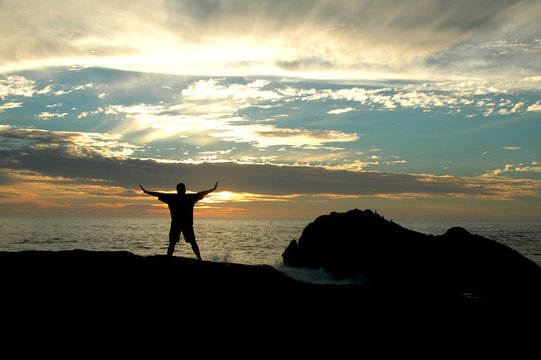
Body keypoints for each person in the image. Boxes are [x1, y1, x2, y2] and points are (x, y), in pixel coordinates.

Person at [140, 181, 218, 259]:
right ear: (184, 190)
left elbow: (158, 194)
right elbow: (203, 193)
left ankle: (170, 258)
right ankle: (199, 259)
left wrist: (146, 192)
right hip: (184, 224)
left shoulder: (173, 198)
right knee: (188, 242)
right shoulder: (189, 197)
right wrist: (213, 189)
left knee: (175, 243)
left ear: (177, 189)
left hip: (179, 224)